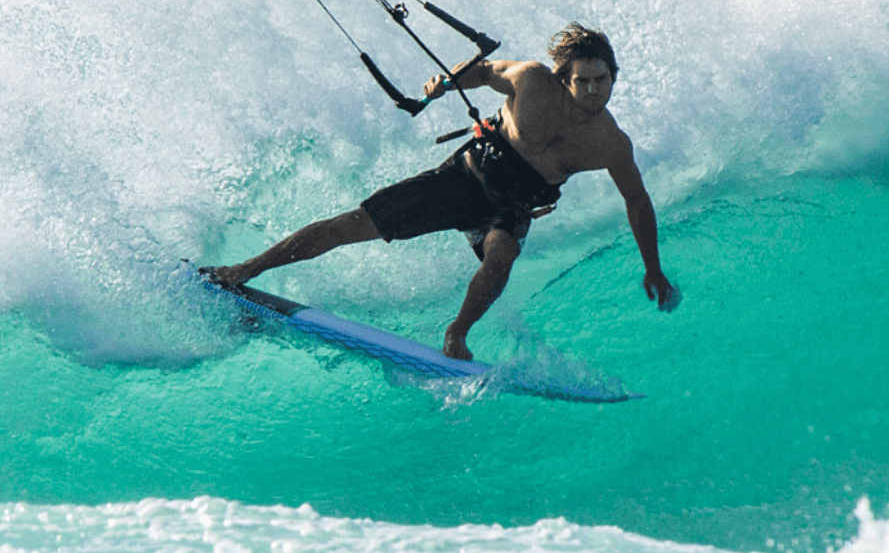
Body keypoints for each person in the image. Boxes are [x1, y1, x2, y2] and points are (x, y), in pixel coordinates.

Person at [206, 24, 679, 360]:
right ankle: (244, 270)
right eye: (583, 81)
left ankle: (456, 335)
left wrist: (653, 267)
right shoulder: (532, 80)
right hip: (463, 179)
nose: (594, 90)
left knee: (502, 256)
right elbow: (484, 71)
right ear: (564, 78)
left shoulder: (610, 144)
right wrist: (445, 85)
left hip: (510, 206)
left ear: (613, 77)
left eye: (602, 80)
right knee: (354, 224)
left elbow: (637, 201)